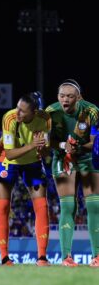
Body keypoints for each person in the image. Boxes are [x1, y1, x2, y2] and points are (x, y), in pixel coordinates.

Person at [46, 79, 99, 267]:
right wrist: (62, 145)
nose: (65, 100)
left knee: (94, 206)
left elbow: (94, 143)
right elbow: (46, 142)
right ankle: (66, 257)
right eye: (62, 96)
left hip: (86, 157)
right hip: (62, 158)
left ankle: (97, 257)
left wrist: (78, 148)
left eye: (70, 96)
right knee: (68, 207)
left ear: (79, 98)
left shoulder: (91, 111)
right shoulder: (50, 113)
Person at [0, 92, 50, 266]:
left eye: (22, 111)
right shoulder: (9, 118)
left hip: (33, 161)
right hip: (8, 160)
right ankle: (4, 257)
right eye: (17, 107)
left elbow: (46, 152)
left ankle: (42, 257)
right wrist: (33, 145)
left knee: (42, 206)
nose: (17, 112)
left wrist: (42, 149)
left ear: (34, 112)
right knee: (3, 206)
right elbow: (10, 154)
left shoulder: (45, 119)